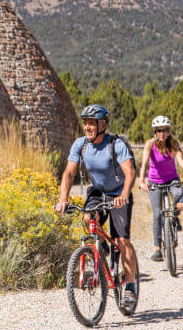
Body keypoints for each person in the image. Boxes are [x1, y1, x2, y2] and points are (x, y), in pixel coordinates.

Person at [55, 104, 138, 305]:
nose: (87, 127)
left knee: (122, 241)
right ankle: (101, 248)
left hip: (118, 193)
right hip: (97, 192)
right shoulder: (80, 144)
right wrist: (63, 198)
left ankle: (130, 284)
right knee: (87, 218)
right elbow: (68, 173)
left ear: (102, 125)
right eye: (85, 123)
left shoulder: (115, 144)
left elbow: (130, 172)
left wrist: (124, 195)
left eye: (91, 123)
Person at [138, 116, 183, 262]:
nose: (162, 133)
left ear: (168, 131)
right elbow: (144, 163)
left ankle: (174, 216)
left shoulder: (173, 143)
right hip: (154, 182)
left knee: (179, 194)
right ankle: (158, 249)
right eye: (159, 131)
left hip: (172, 179)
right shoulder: (150, 144)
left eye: (165, 130)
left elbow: (180, 160)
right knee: (157, 214)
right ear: (155, 132)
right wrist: (142, 180)